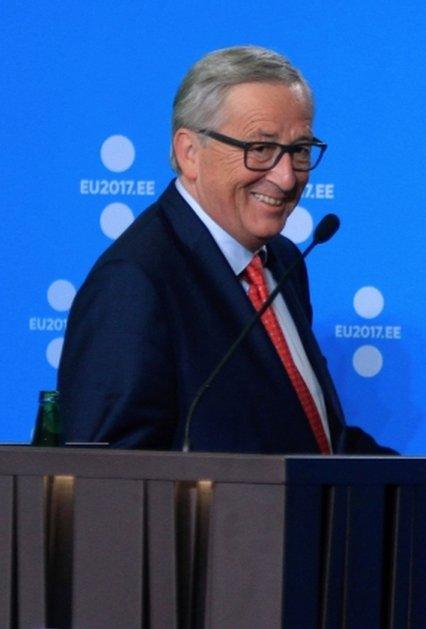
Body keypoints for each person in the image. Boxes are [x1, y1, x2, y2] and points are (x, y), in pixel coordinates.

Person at [59, 46, 392, 455]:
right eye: (261, 149)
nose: (286, 177)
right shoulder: (135, 282)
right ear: (190, 153)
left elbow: (313, 438)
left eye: (300, 150)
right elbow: (111, 481)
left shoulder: (282, 261)